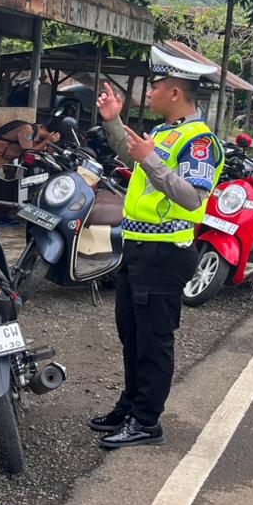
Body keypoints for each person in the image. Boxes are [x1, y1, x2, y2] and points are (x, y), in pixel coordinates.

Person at [92, 48, 225, 449]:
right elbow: (135, 159)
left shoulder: (200, 142)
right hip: (138, 248)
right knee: (132, 334)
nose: (149, 93)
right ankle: (130, 405)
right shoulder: (165, 132)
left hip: (166, 252)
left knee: (154, 339)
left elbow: (191, 196)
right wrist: (113, 121)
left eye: (155, 87)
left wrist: (151, 160)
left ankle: (147, 421)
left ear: (174, 92)